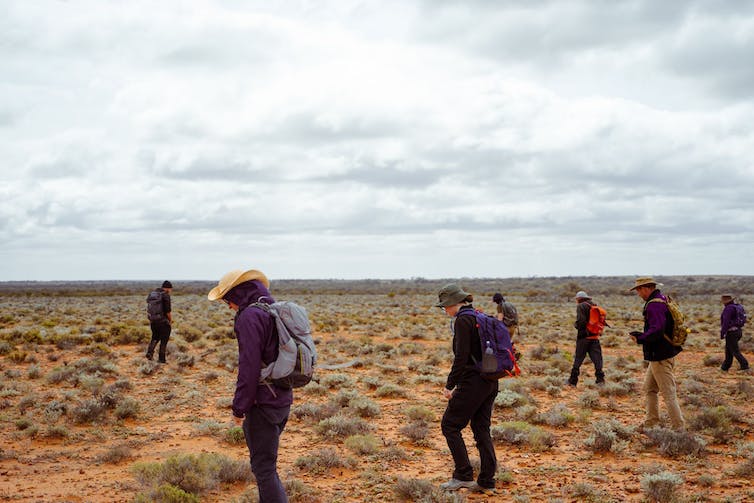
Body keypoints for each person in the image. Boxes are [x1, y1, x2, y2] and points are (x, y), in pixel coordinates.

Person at [208, 269, 292, 503]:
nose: (228, 306)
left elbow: (249, 366)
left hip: (263, 403)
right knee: (265, 465)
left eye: (227, 299)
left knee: (264, 469)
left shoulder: (250, 316)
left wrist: (239, 408)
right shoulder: (272, 310)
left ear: (238, 293)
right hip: (282, 397)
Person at [436, 284, 497, 495]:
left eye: (445, 306)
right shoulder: (479, 316)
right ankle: (487, 480)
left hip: (473, 381)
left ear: (454, 303)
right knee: (481, 429)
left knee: (450, 425)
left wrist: (450, 384)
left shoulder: (463, 320)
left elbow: (461, 356)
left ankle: (463, 475)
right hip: (490, 380)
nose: (445, 310)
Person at [629, 277, 685, 431]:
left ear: (646, 288)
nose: (638, 294)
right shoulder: (662, 299)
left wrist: (640, 337)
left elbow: (657, 330)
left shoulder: (654, 305)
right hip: (660, 353)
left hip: (660, 354)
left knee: (668, 393)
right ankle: (651, 423)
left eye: (639, 290)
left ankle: (679, 428)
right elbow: (658, 328)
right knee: (649, 389)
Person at [567, 291, 605, 387]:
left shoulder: (581, 306)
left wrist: (576, 325)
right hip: (595, 337)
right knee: (597, 359)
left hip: (583, 338)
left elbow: (581, 322)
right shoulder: (593, 305)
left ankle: (572, 381)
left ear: (579, 299)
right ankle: (600, 381)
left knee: (578, 359)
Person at [720, 294, 750, 372]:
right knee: (729, 350)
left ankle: (745, 366)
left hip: (731, 332)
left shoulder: (728, 309)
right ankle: (725, 367)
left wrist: (722, 333)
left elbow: (725, 322)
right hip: (738, 331)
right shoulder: (738, 306)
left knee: (734, 351)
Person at [146, 280, 173, 363]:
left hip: (153, 321)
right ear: (168, 289)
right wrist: (170, 320)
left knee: (155, 337)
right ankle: (161, 359)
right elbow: (168, 311)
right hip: (163, 321)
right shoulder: (165, 295)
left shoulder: (153, 294)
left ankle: (149, 353)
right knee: (164, 340)